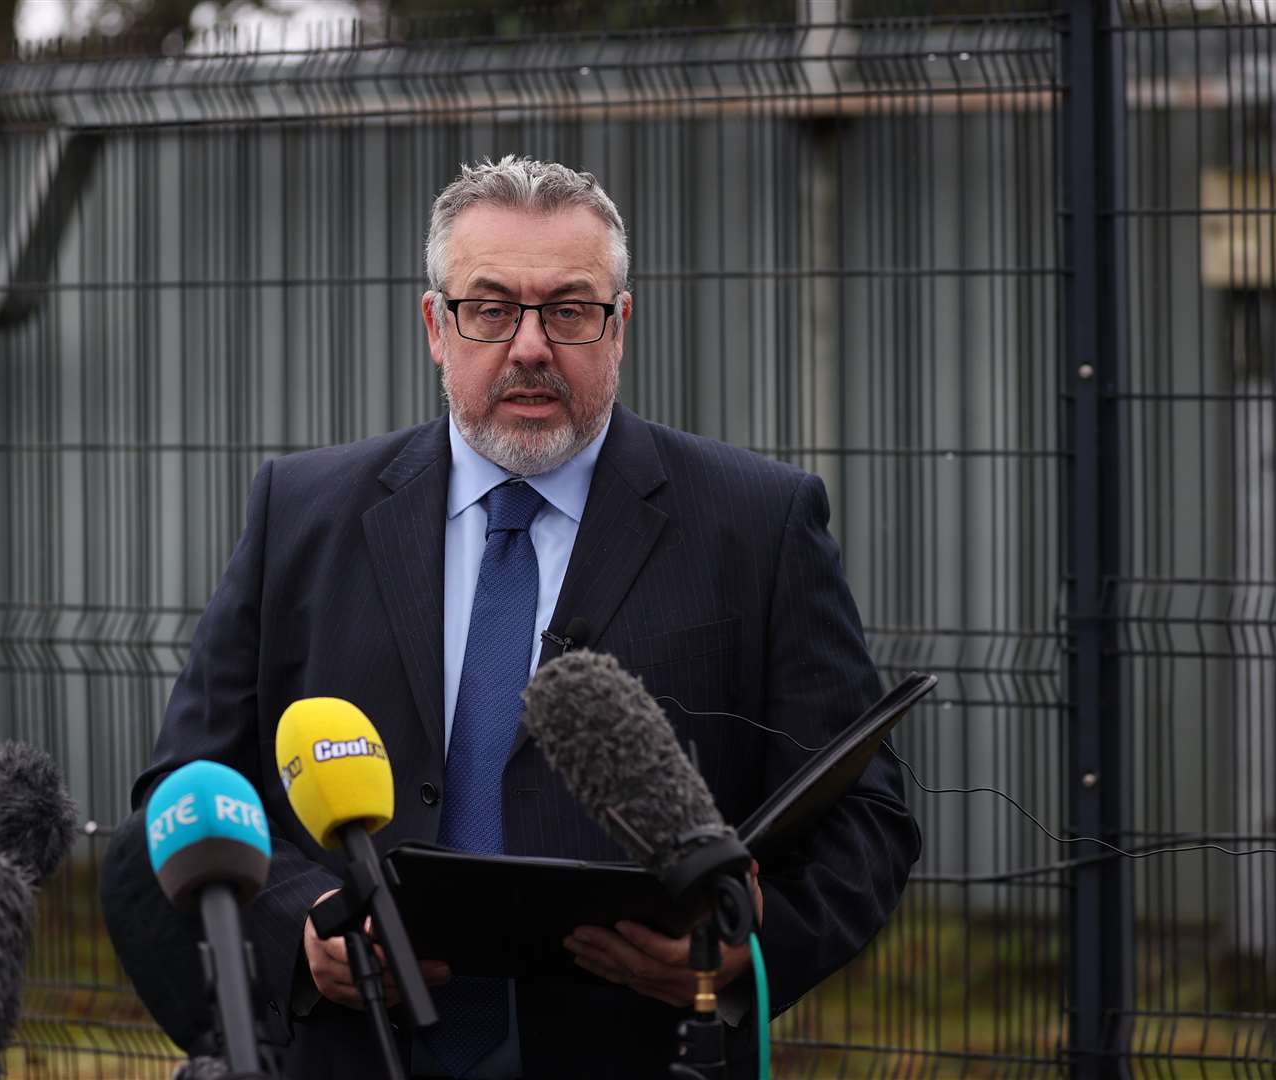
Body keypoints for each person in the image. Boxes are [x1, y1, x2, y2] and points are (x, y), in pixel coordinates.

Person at [101, 156, 919, 1080]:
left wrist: (747, 953)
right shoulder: (303, 510)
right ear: (435, 327)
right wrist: (303, 928)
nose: (530, 346)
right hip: (357, 1049)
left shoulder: (757, 523)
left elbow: (866, 815)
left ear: (620, 326)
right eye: (490, 309)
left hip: (636, 1051)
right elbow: (193, 781)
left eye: (569, 310)